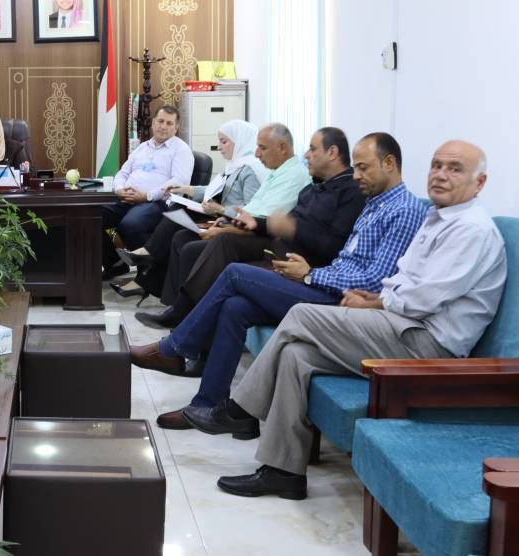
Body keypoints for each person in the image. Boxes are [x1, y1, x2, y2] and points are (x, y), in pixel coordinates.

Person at [184, 141, 506, 500]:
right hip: (403, 324)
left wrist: (376, 303)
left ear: (480, 182)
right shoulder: (438, 217)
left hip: (428, 343)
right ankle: (283, 472)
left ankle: (237, 409)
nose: (441, 175)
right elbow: (402, 277)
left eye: (454, 169)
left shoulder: (471, 229)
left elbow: (425, 298)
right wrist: (376, 299)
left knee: (301, 315)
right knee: (296, 355)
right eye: (436, 165)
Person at [131, 133, 428, 430]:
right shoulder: (374, 204)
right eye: (357, 167)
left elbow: (374, 282)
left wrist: (311, 274)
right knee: (235, 307)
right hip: (323, 280)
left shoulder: (403, 210)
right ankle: (208, 405)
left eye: (363, 168)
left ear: (389, 163)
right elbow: (346, 260)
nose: (357, 175)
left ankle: (173, 349)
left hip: (343, 301)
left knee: (235, 273)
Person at [135, 126, 365, 328]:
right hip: (279, 244)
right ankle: (181, 313)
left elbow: (331, 246)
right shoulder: (313, 187)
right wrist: (254, 223)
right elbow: (270, 219)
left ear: (332, 153)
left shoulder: (350, 193)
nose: (307, 154)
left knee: (219, 252)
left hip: (299, 259)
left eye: (313, 149)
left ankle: (183, 317)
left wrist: (286, 228)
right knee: (204, 243)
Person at [126, 123, 310, 307]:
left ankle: (180, 305)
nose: (257, 153)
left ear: (282, 148)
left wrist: (223, 219)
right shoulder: (262, 170)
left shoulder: (265, 171)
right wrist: (220, 215)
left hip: (257, 236)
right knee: (180, 233)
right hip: (235, 222)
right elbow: (243, 206)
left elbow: (262, 220)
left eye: (262, 148)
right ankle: (173, 304)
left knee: (187, 240)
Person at [111, 119, 268, 302]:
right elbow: (214, 190)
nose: (219, 146)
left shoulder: (250, 170)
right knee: (177, 227)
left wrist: (220, 208)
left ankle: (148, 258)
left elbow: (250, 214)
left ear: (240, 141)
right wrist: (187, 189)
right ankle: (156, 284)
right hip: (218, 215)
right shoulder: (235, 165)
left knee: (175, 217)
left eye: (224, 141)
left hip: (229, 223)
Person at [102, 106, 194, 278]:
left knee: (130, 224)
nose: (163, 126)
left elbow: (178, 182)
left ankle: (153, 274)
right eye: (160, 121)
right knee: (92, 216)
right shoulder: (143, 147)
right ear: (153, 123)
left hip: (157, 202)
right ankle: (114, 264)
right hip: (127, 199)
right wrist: (120, 190)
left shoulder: (181, 149)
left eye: (169, 123)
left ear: (176, 128)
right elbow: (122, 173)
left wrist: (147, 195)